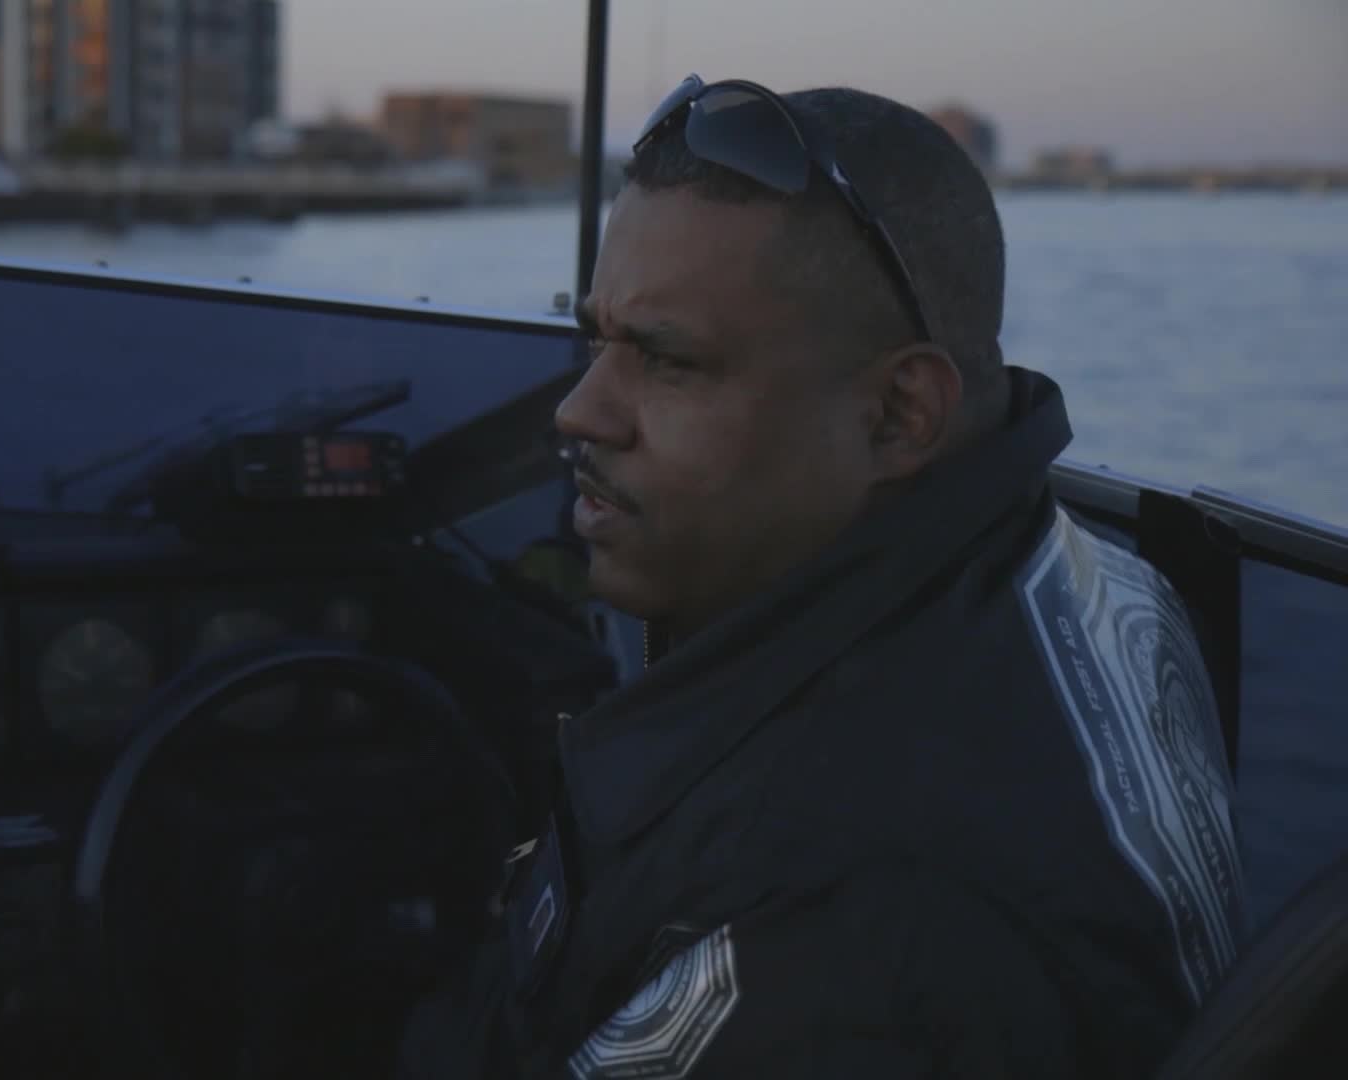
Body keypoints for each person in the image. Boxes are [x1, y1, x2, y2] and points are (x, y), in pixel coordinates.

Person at [395, 77, 1247, 1079]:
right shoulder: (1110, 586)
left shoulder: (840, 935)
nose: (581, 410)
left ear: (899, 415)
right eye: (597, 340)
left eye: (666, 361)